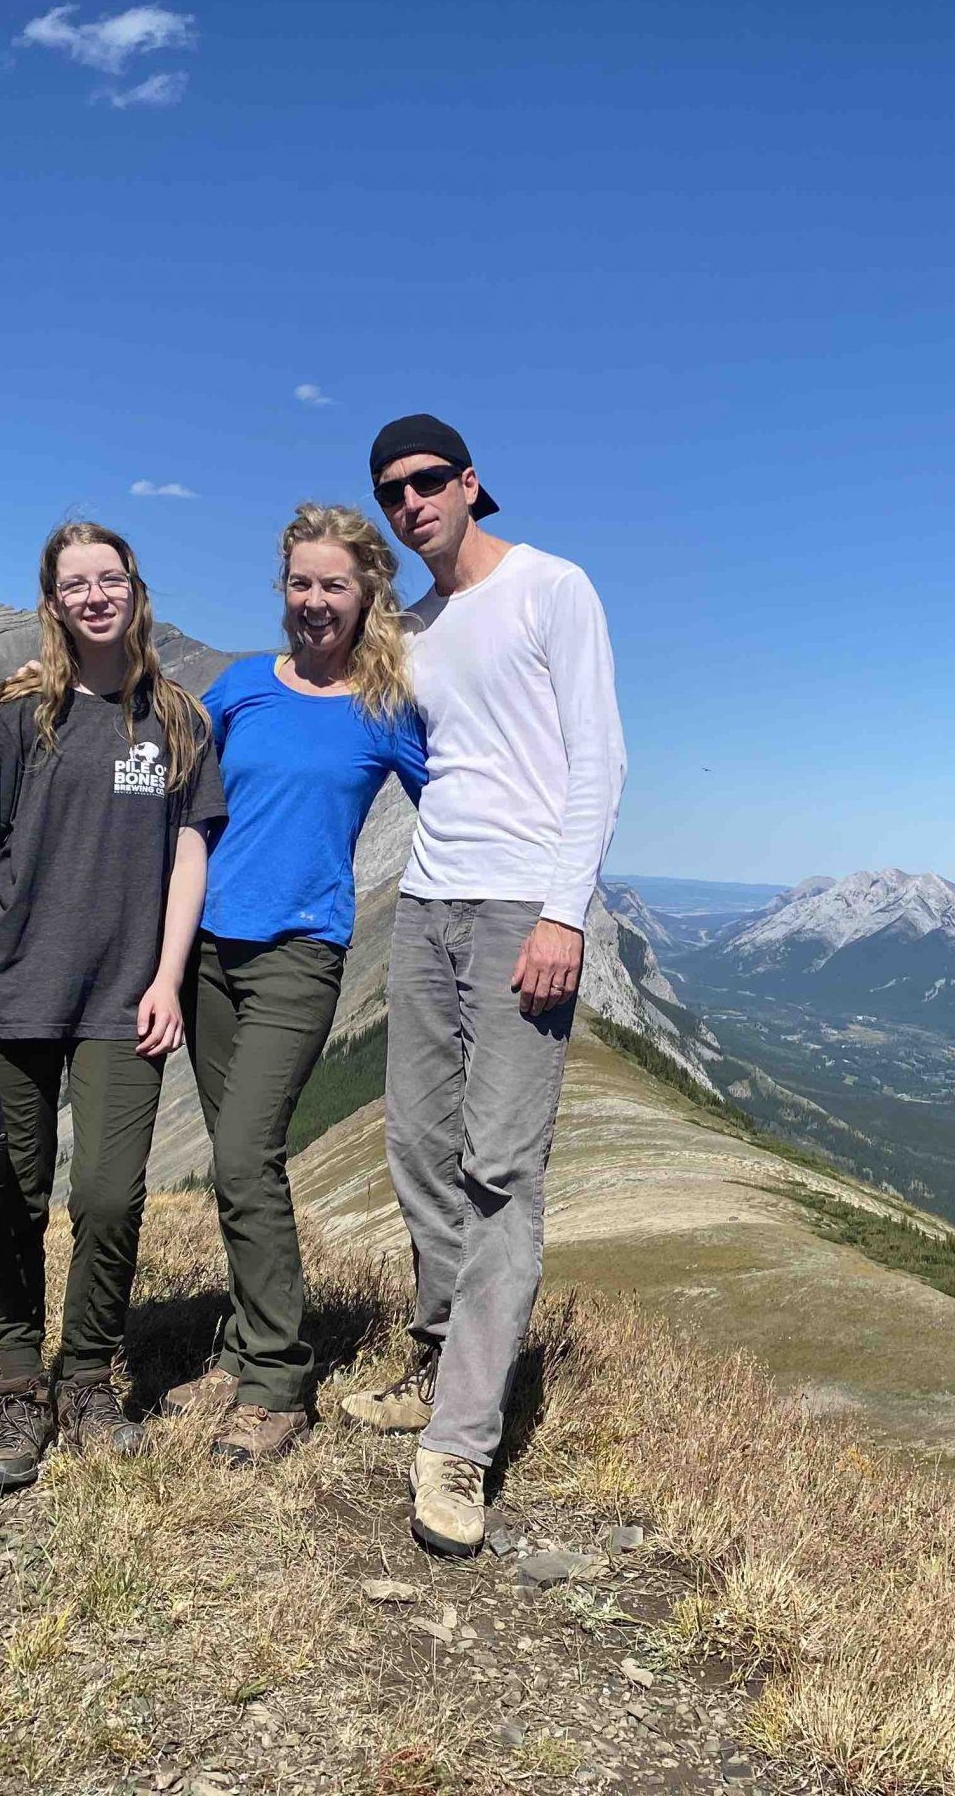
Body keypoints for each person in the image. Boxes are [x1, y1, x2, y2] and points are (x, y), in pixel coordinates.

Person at [337, 414, 626, 1558]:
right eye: (388, 491)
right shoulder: (412, 629)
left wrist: (565, 910)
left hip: (520, 911)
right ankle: (434, 1356)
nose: (408, 504)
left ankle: (460, 1442)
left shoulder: (554, 588)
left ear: (468, 483)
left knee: (501, 1168)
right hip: (425, 906)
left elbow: (598, 755)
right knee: (419, 1146)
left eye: (424, 483)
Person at [0, 520, 224, 1498]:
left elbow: (191, 853)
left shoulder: (175, 717)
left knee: (107, 1196)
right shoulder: (18, 712)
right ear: (53, 602)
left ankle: (89, 1379)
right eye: (75, 584)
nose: (95, 596)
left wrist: (164, 978)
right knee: (13, 1193)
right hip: (15, 989)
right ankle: (22, 1388)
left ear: (134, 589)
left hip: (123, 999)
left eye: (110, 578)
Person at [156, 505, 428, 1467]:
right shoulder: (236, 689)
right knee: (245, 1170)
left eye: (335, 586)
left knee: (243, 1157)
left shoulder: (385, 713)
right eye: (301, 583)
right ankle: (239, 1347)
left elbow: (459, 801)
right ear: (284, 588)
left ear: (367, 597)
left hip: (300, 957)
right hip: (206, 958)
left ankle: (277, 1380)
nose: (315, 602)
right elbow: (179, 800)